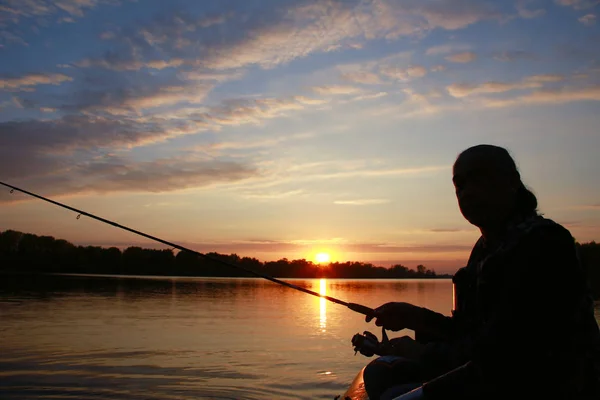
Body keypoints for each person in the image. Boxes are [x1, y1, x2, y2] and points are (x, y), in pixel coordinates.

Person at [359, 144, 600, 400]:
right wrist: (415, 317)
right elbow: (469, 331)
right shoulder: (485, 248)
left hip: (544, 384)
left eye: (479, 178)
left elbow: (507, 355)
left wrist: (419, 353)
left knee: (395, 392)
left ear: (511, 182)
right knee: (378, 374)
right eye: (459, 184)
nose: (466, 191)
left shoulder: (545, 243)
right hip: (491, 371)